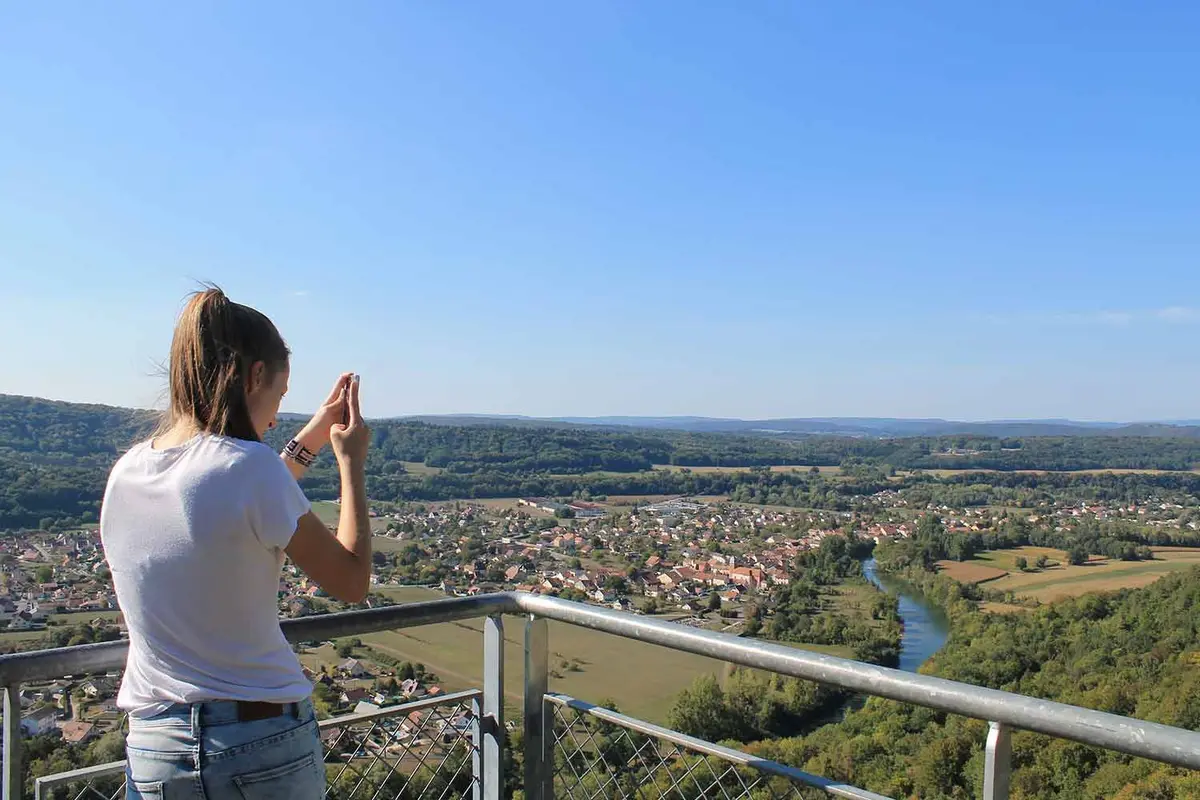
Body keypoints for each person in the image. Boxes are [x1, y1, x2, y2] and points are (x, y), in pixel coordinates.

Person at [100, 286, 372, 799]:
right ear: (253, 377)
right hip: (256, 739)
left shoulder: (128, 471)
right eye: (279, 396)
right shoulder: (250, 471)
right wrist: (349, 462)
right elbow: (352, 581)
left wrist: (312, 435)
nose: (275, 417)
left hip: (156, 746)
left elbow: (235, 499)